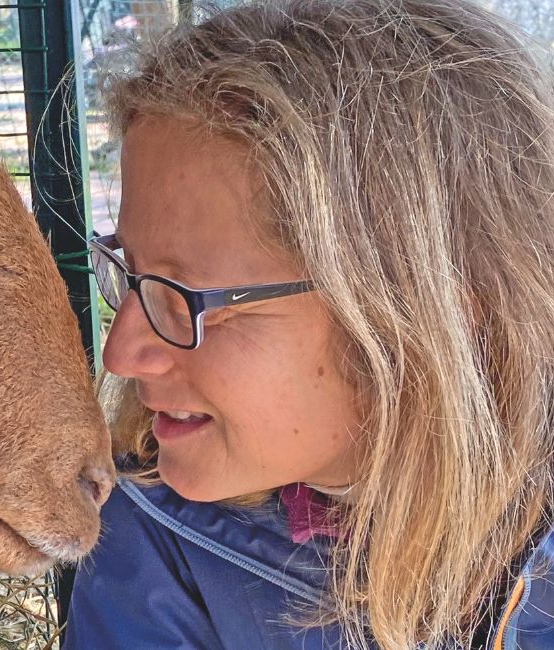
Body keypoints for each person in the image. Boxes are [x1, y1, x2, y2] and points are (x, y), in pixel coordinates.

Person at [63, 0, 554, 648]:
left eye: (187, 295)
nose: (122, 354)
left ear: (428, 316)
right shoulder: (155, 531)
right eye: (130, 274)